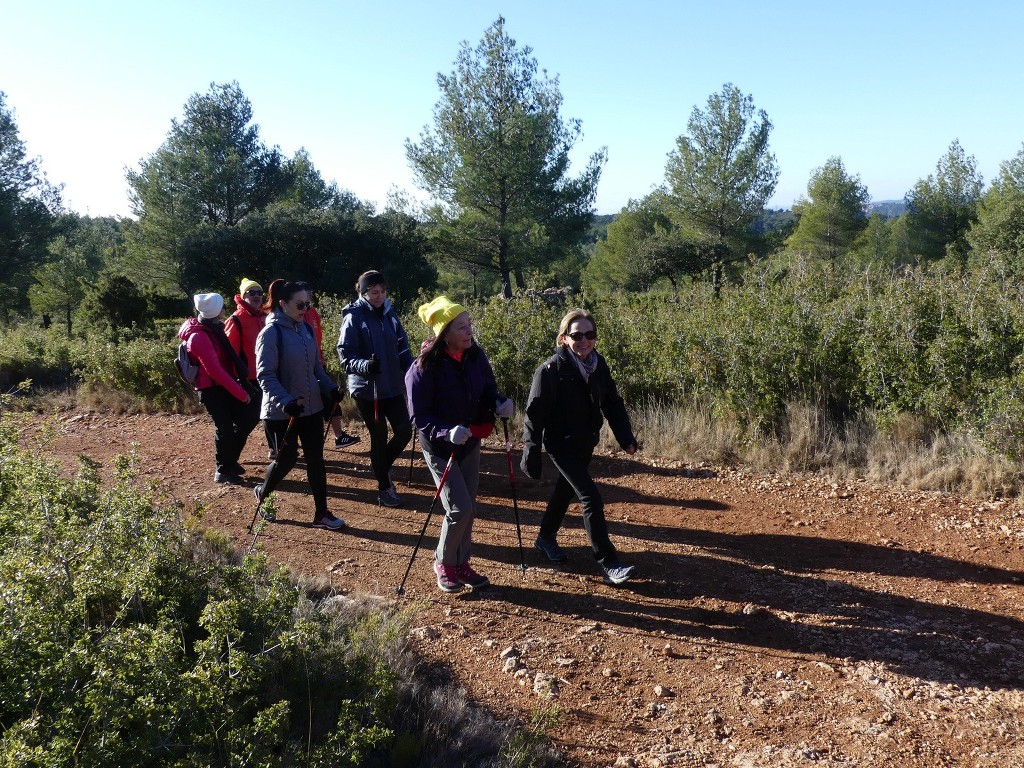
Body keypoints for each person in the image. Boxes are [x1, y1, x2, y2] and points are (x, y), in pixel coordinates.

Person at [521, 308, 638, 585]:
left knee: (564, 491)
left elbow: (612, 402)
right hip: (560, 444)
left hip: (586, 441)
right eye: (576, 335)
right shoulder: (550, 371)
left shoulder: (598, 365)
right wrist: (531, 452)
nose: (584, 340)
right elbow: (534, 416)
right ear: (564, 338)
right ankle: (609, 563)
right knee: (590, 498)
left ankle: (544, 538)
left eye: (589, 334)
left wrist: (625, 438)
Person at [406, 296, 514, 592]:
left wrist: (499, 402)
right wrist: (446, 431)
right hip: (441, 448)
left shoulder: (475, 355)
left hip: (469, 442)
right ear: (445, 334)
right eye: (462, 328)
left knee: (470, 508)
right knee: (459, 508)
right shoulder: (423, 367)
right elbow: (419, 416)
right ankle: (444, 562)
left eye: (469, 326)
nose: (469, 332)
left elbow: (488, 389)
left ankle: (461, 563)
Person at [253, 280, 346, 530]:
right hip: (280, 412)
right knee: (287, 459)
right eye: (300, 304)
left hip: (311, 408)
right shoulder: (270, 333)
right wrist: (286, 402)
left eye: (308, 303)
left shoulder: (305, 328)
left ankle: (321, 514)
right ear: (282, 304)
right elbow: (265, 376)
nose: (305, 308)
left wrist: (330, 389)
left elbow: (316, 367)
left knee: (316, 459)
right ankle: (263, 494)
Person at [338, 270, 414, 507]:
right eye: (373, 292)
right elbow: (345, 356)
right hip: (366, 389)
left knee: (404, 431)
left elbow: (402, 348)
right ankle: (384, 487)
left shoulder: (390, 314)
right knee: (379, 436)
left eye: (382, 291)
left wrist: (415, 370)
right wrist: (365, 365)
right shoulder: (354, 317)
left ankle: (380, 465)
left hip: (392, 385)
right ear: (363, 292)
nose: (379, 296)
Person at [177, 292, 260, 485]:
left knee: (246, 419)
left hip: (222, 386)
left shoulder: (214, 328)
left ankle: (229, 462)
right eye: (222, 306)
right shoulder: (199, 336)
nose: (224, 309)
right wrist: (241, 393)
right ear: (216, 310)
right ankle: (223, 470)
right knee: (225, 428)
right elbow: (215, 371)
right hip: (210, 389)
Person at [301, 286, 361, 450]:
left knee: (331, 397)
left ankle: (339, 437)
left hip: (318, 364)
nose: (308, 296)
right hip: (302, 366)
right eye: (305, 294)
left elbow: (317, 339)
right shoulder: (295, 315)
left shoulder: (313, 313)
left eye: (309, 293)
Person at [225, 277, 267, 446]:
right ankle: (229, 457)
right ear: (243, 296)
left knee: (267, 415)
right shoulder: (235, 320)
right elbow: (229, 354)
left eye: (259, 292)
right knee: (247, 420)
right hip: (247, 379)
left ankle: (275, 449)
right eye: (251, 292)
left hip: (267, 375)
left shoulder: (265, 317)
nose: (256, 296)